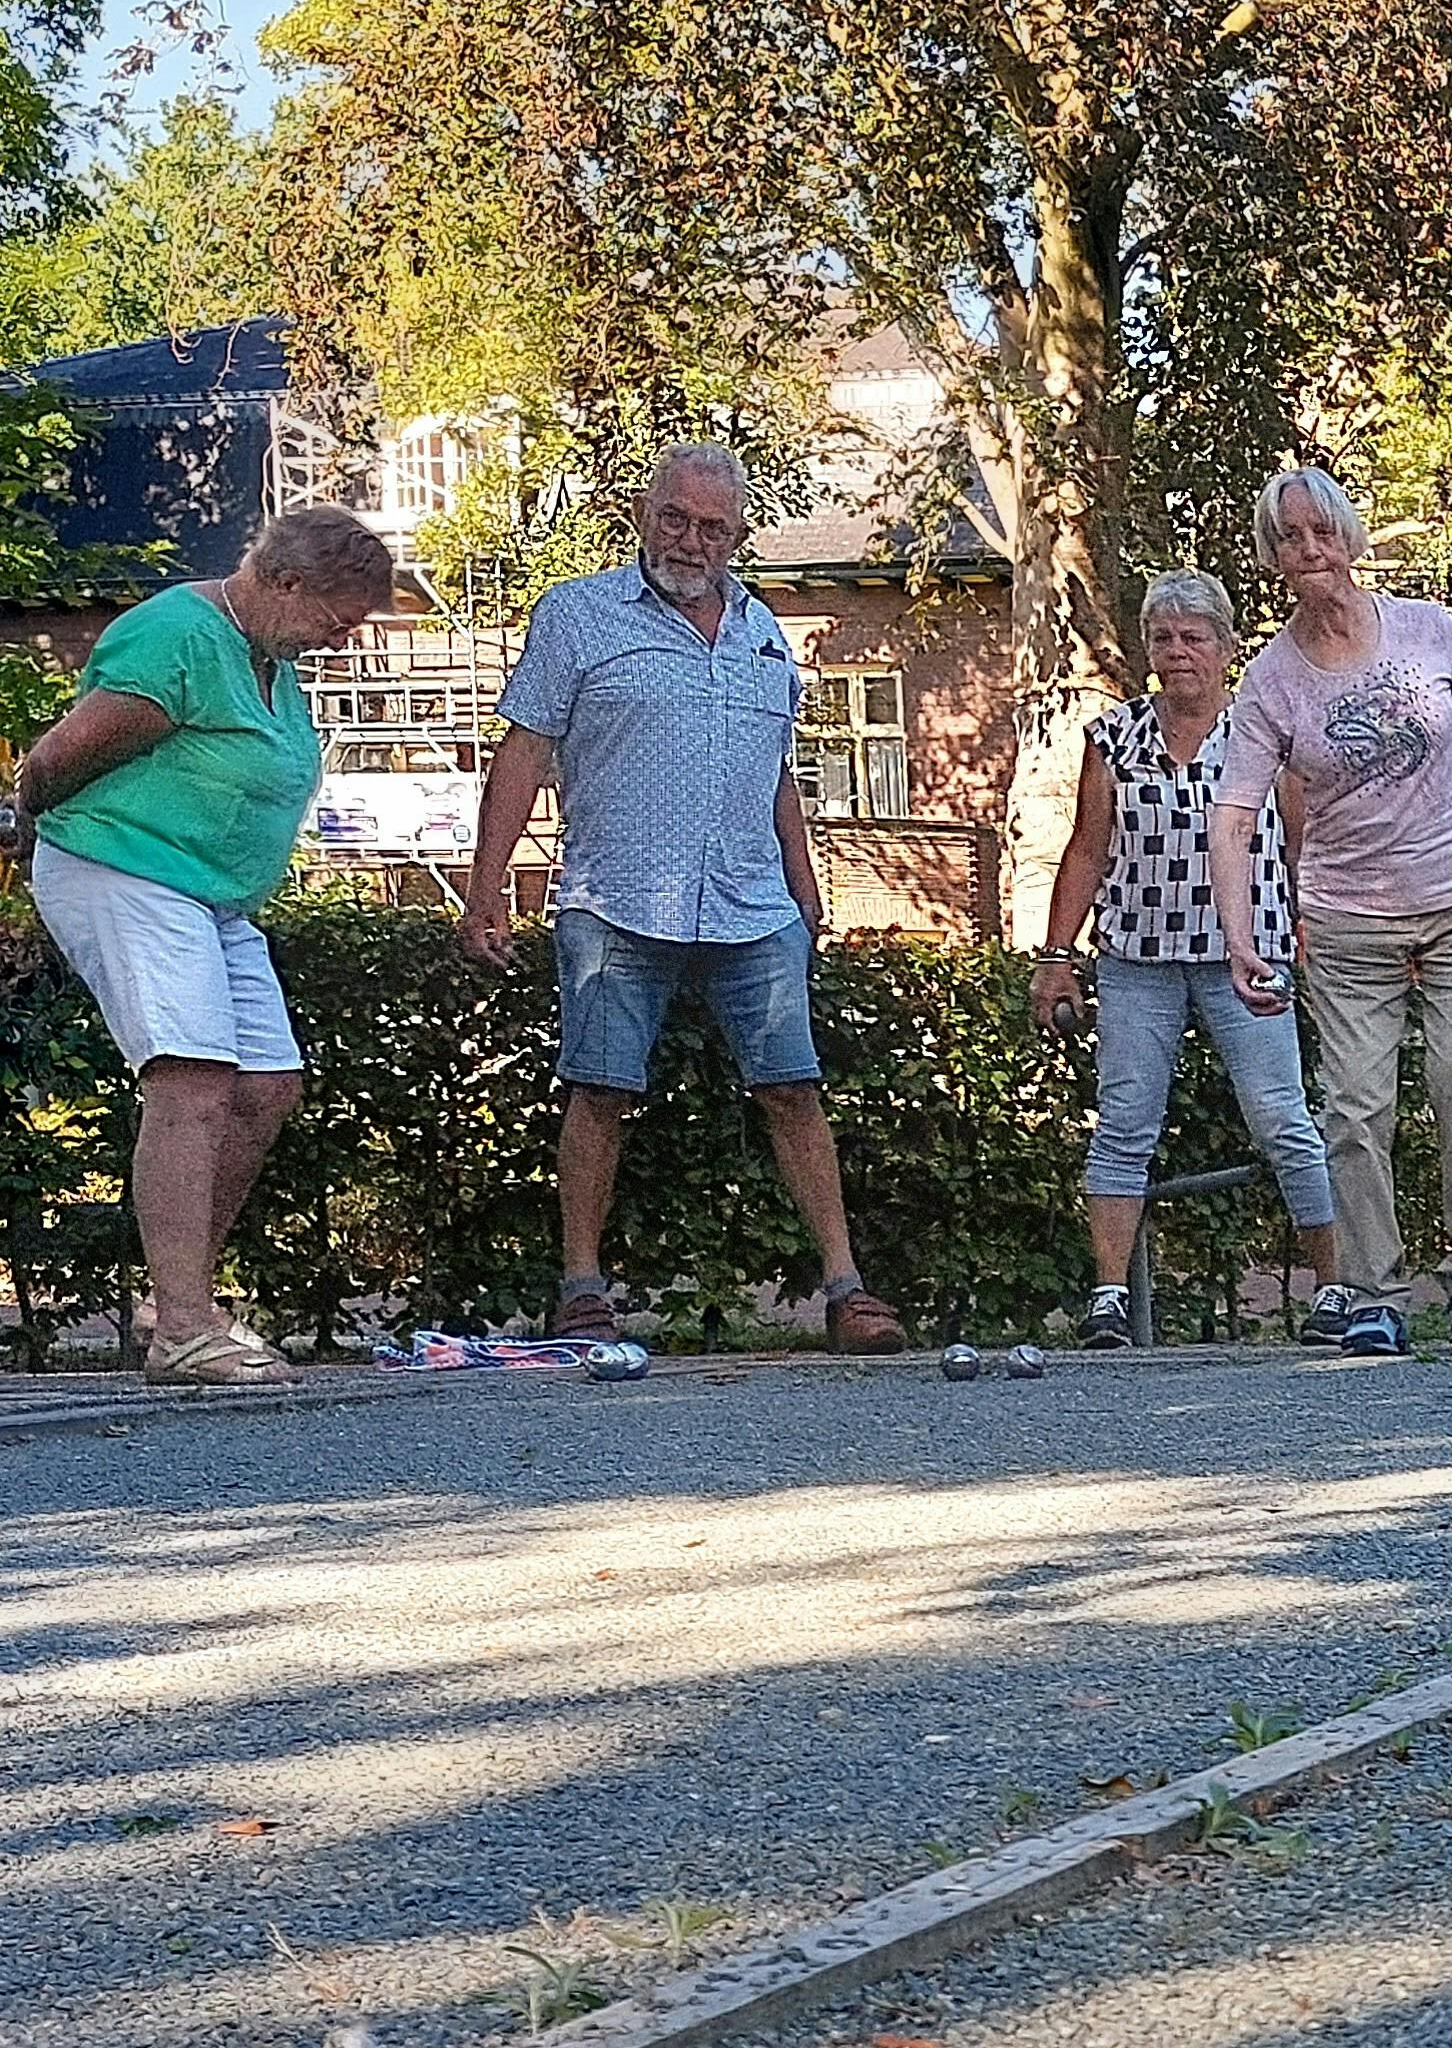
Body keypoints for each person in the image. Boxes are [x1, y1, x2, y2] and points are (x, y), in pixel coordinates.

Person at [462, 442, 913, 1352]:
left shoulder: (762, 633)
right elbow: (522, 754)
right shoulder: (577, 615)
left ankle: (847, 1291)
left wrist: (805, 883)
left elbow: (776, 769)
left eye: (713, 527)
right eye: (677, 518)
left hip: (753, 905)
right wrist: (485, 892)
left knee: (795, 1089)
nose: (692, 541)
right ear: (643, 513)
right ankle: (583, 1289)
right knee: (599, 1091)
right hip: (614, 901)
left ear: (738, 535)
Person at [6, 504, 403, 1384]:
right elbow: (56, 760)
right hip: (127, 870)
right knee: (190, 1079)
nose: (343, 640)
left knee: (266, 1085)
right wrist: (25, 822)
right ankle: (185, 1324)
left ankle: (174, 1304)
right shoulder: (177, 635)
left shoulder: (269, 652)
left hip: (211, 898)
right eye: (338, 621)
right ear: (284, 582)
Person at [1211, 465, 1452, 1358]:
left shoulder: (1427, 630)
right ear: (1273, 557)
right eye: (1291, 538)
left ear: (1351, 537)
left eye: (1323, 532)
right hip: (1347, 911)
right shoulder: (1272, 681)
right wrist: (1238, 937)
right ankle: (1373, 1289)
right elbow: (1233, 813)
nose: (1311, 552)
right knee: (1354, 1103)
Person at [1029, 572, 1342, 1348]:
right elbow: (1088, 849)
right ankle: (1108, 1297)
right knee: (1125, 1123)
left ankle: (1337, 1288)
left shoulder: (1265, 734)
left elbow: (1305, 844)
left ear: (1228, 650)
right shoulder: (1115, 738)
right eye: (1163, 638)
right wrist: (1056, 955)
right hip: (1139, 952)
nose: (1178, 654)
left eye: (1194, 638)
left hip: (1250, 951)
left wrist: (1319, 929)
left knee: (1282, 1120)